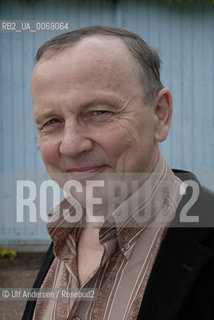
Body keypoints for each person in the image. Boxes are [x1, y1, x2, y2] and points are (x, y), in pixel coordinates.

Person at [22, 26, 214, 320]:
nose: (71, 145)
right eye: (52, 121)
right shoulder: (65, 231)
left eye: (98, 113)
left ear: (160, 114)